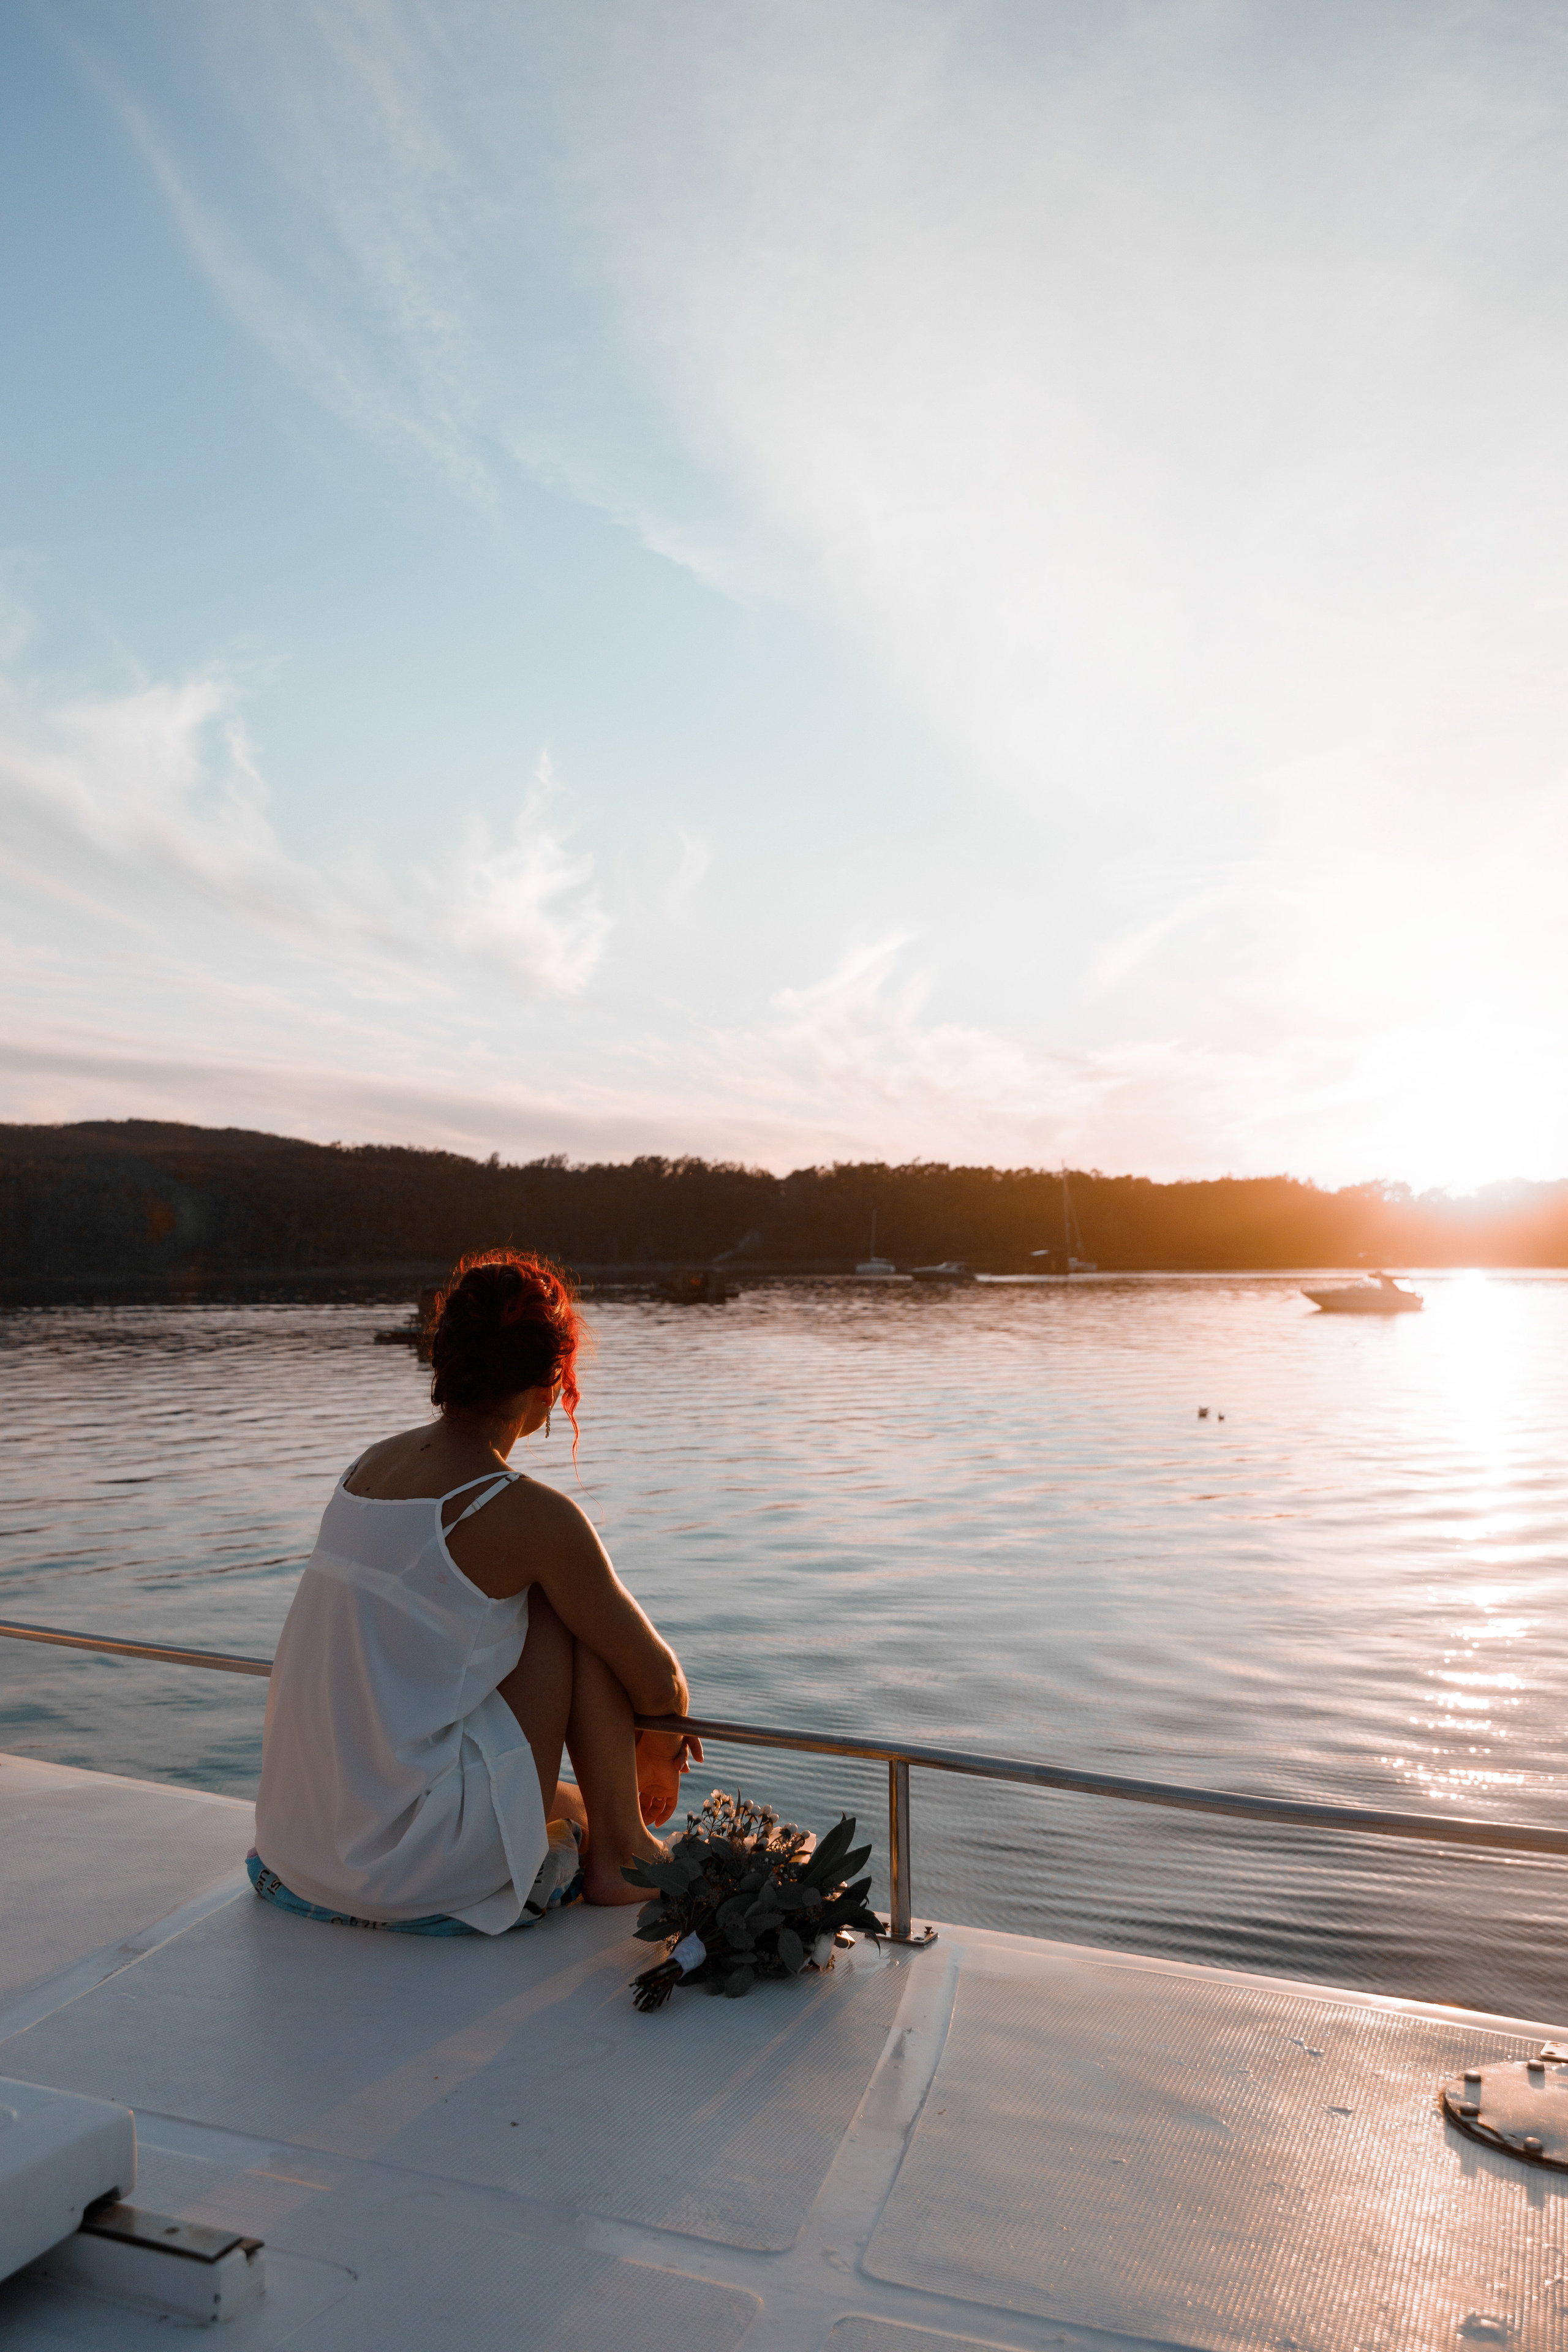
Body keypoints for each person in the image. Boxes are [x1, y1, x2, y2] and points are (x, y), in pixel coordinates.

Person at [250, 1250, 699, 1934]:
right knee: (568, 1604)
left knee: (566, 1800)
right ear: (552, 1380)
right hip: (409, 1873)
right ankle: (624, 1852)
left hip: (302, 1847)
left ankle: (608, 1827)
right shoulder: (524, 1511)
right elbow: (659, 1680)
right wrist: (661, 1746)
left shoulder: (365, 1467)